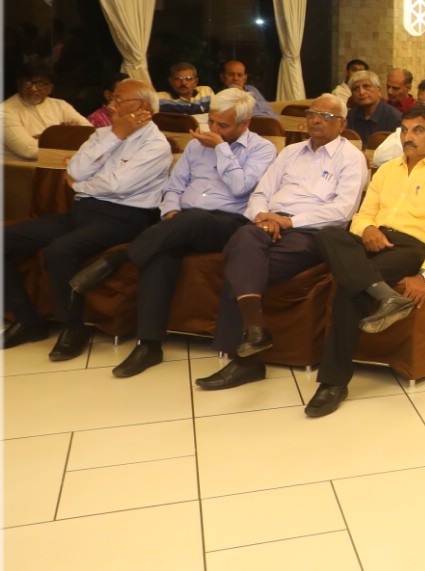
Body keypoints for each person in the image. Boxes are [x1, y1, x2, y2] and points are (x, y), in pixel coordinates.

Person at [69, 89, 277, 378]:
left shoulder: (262, 149)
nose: (213, 129)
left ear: (245, 123)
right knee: (159, 254)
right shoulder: (195, 147)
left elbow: (240, 186)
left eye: (223, 125)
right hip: (182, 222)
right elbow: (174, 186)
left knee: (194, 218)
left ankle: (118, 259)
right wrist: (170, 212)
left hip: (227, 223)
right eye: (211, 121)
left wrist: (220, 148)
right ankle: (149, 345)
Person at [195, 94, 369, 390]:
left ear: (342, 124)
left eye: (326, 117)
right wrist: (263, 217)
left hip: (311, 233)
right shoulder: (290, 152)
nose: (316, 120)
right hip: (268, 225)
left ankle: (247, 360)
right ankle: (254, 336)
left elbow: (343, 211)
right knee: (244, 238)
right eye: (312, 114)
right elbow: (261, 193)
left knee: (240, 262)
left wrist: (290, 221)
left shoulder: (351, 158)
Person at [302, 106, 425, 417]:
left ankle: (333, 383)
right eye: (404, 130)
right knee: (327, 234)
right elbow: (362, 215)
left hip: (413, 246)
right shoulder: (387, 169)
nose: (408, 137)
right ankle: (384, 294)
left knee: (350, 286)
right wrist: (368, 229)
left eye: (418, 130)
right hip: (374, 241)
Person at [2, 80, 170, 359]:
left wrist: (79, 186)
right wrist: (115, 135)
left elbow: (117, 185)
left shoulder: (156, 145)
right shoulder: (102, 134)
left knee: (60, 250)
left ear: (141, 107)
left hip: (125, 218)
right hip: (82, 212)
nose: (111, 106)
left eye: (118, 100)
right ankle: (27, 320)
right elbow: (76, 169)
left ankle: (73, 328)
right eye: (112, 99)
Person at [3, 60, 89, 160]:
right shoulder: (5, 111)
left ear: (50, 88)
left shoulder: (60, 105)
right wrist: (66, 133)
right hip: (25, 168)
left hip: (60, 164)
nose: (33, 88)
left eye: (40, 84)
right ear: (19, 83)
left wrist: (41, 138)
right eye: (28, 82)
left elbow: (89, 133)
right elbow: (30, 151)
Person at [345, 70, 402, 139]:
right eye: (356, 88)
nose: (361, 92)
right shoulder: (349, 116)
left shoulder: (395, 118)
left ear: (379, 90)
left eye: (366, 87)